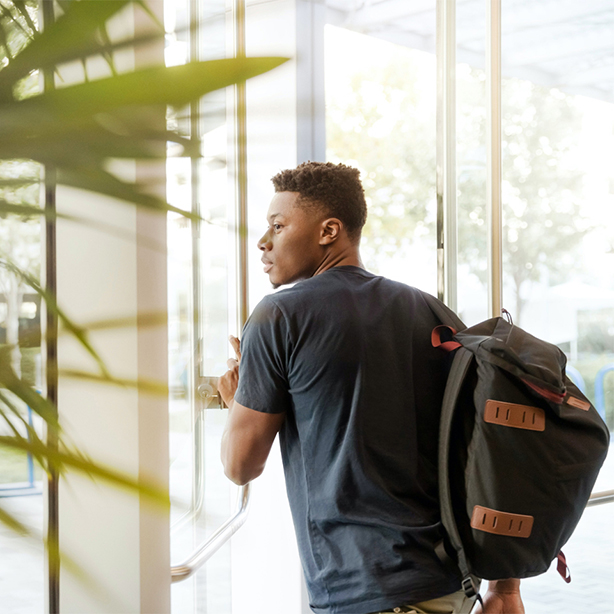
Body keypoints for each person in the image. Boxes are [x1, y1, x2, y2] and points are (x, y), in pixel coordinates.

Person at [218, 162, 524, 614]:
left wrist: (236, 402)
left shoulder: (278, 317)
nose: (264, 241)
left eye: (278, 226)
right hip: (451, 584)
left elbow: (239, 466)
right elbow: (490, 445)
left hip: (366, 591)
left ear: (329, 231)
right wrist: (506, 588)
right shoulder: (431, 312)